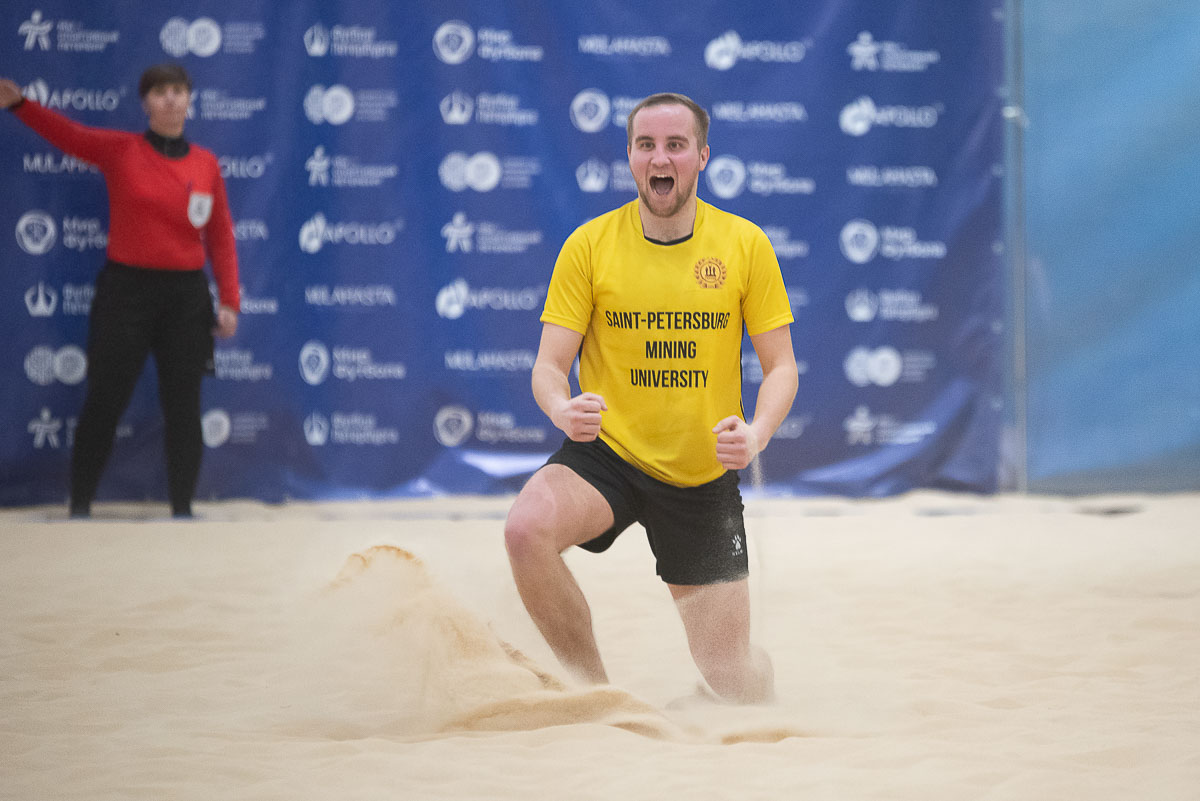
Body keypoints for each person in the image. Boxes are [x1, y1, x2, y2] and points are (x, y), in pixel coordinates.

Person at [504, 93, 798, 703]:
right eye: (646, 145)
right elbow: (548, 367)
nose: (660, 158)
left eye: (675, 145)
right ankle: (594, 696)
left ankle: (753, 676)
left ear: (702, 157)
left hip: (699, 472)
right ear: (631, 156)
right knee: (525, 529)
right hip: (608, 453)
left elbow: (781, 368)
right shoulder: (589, 244)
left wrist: (756, 434)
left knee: (733, 680)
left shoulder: (744, 244)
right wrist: (561, 409)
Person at [1, 65, 240, 519]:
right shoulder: (121, 149)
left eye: (178, 91)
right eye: (160, 92)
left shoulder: (206, 163)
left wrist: (229, 301)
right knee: (105, 399)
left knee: (184, 405)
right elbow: (70, 136)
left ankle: (183, 512)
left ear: (190, 100)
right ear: (145, 102)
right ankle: (80, 508)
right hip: (126, 292)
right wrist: (20, 105)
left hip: (186, 298)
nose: (170, 99)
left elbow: (221, 237)